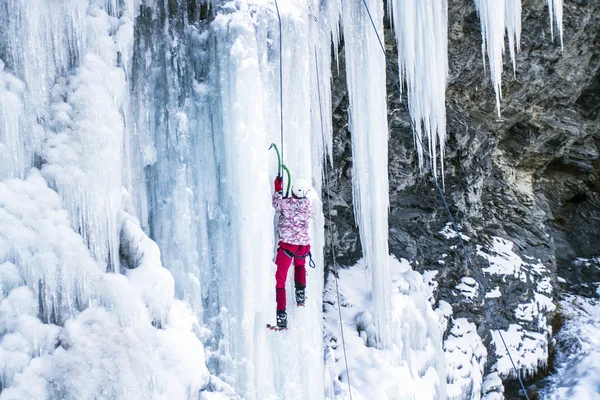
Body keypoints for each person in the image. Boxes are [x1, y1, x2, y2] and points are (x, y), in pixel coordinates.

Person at [271, 176, 313, 329]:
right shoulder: (308, 205)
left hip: (288, 246)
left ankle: (281, 314)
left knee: (280, 281)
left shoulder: (286, 203)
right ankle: (300, 294)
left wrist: (278, 188)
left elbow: (276, 203)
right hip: (303, 246)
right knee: (300, 266)